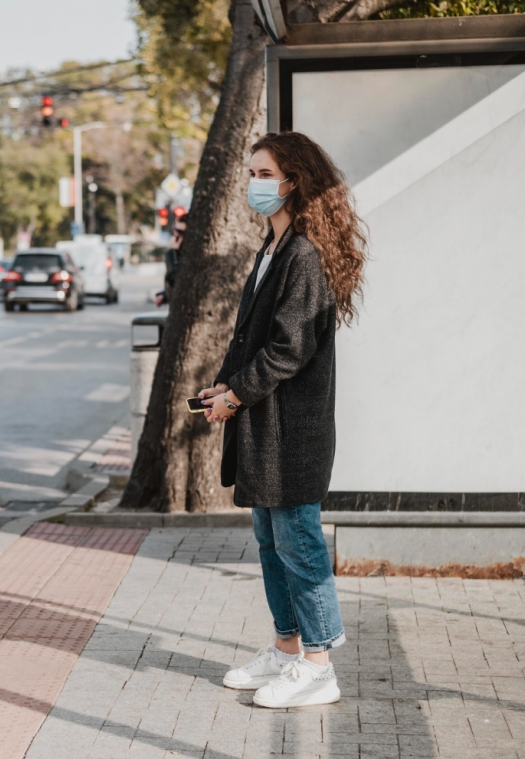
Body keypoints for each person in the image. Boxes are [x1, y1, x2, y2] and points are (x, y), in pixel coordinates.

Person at [198, 131, 366, 709]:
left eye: (263, 174)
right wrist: (223, 383)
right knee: (271, 541)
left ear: (294, 181)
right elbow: (251, 337)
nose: (253, 185)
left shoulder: (304, 255)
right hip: (264, 428)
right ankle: (286, 648)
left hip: (292, 431)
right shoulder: (272, 248)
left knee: (299, 542)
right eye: (251, 174)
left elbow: (289, 349)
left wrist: (236, 397)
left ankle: (318, 664)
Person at [154, 217, 186, 306]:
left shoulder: (180, 255)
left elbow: (176, 279)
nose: (175, 236)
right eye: (175, 230)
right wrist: (163, 295)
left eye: (180, 232)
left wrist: (172, 254)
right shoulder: (176, 252)